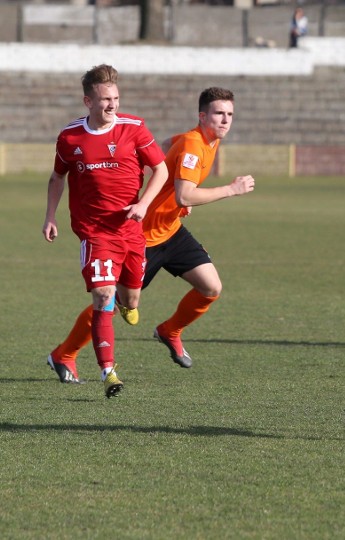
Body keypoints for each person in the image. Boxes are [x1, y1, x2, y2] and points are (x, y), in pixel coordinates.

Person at [46, 87, 255, 382]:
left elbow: (166, 149)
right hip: (142, 237)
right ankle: (63, 354)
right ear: (203, 116)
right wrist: (231, 190)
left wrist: (174, 198)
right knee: (113, 303)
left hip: (171, 230)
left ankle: (170, 330)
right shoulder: (195, 145)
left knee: (210, 287)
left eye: (230, 114)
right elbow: (185, 196)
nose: (225, 120)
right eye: (219, 114)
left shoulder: (196, 140)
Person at [42, 64, 169, 398]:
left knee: (131, 298)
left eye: (115, 98)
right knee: (102, 295)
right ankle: (108, 372)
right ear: (88, 101)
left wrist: (143, 204)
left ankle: (128, 302)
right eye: (104, 100)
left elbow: (161, 169)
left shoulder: (135, 128)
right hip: (95, 232)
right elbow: (58, 177)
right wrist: (50, 216)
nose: (111, 105)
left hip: (130, 231)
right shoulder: (70, 138)